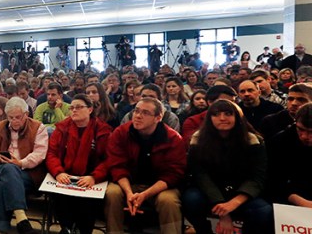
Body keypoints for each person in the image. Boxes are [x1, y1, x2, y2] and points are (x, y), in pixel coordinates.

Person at [183, 100, 272, 234]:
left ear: (237, 117)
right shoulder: (198, 140)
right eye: (216, 114)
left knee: (263, 210)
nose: (222, 118)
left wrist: (234, 202)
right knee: (191, 199)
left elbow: (257, 177)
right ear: (209, 118)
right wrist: (223, 211)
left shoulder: (253, 140)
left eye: (228, 114)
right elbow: (200, 175)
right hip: (210, 191)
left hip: (241, 192)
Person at [104, 97, 186, 234]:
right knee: (112, 193)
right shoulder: (121, 132)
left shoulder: (172, 138)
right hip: (129, 182)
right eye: (136, 111)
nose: (138, 116)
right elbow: (116, 166)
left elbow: (173, 174)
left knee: (168, 201)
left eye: (145, 113)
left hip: (160, 186)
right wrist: (129, 193)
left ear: (158, 118)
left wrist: (145, 194)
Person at [45, 94, 111, 234]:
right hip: (66, 175)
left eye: (79, 107)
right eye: (72, 108)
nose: (74, 110)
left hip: (91, 177)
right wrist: (59, 172)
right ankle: (66, 228)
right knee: (60, 196)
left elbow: (108, 159)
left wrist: (94, 177)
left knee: (86, 202)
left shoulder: (102, 130)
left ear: (90, 110)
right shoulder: (63, 128)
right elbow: (52, 154)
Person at [0, 97, 48, 234]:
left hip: (28, 173)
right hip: (1, 167)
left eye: (18, 117)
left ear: (26, 114)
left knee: (3, 185)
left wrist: (20, 163)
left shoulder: (38, 127)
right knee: (8, 168)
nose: (14, 120)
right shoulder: (1, 126)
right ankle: (21, 217)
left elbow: (39, 154)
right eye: (11, 117)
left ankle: (0, 230)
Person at [267, 103, 312, 207]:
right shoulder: (280, 141)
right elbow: (273, 180)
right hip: (288, 197)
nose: (305, 136)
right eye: (300, 129)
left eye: (311, 132)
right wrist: (300, 201)